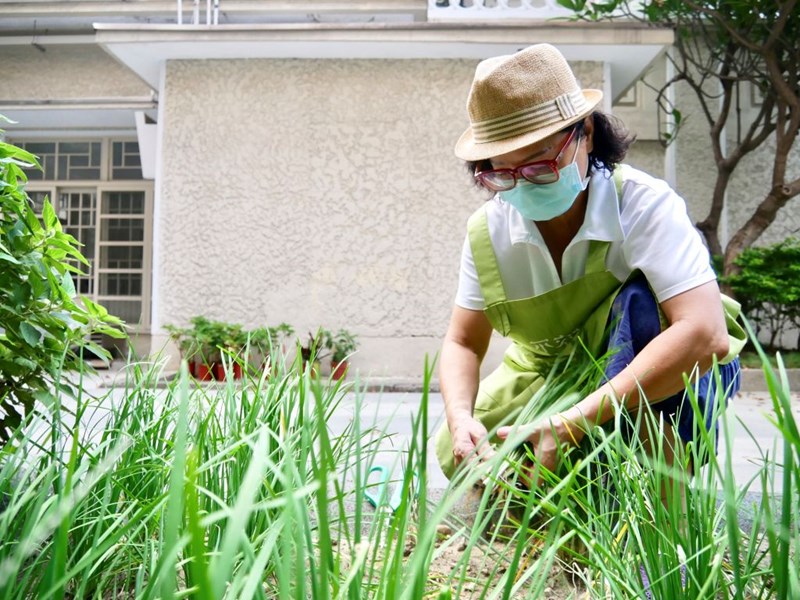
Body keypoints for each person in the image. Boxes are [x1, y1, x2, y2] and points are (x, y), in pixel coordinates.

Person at [434, 43, 746, 481]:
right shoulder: (489, 232)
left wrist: (570, 423)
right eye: (502, 172)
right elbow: (463, 342)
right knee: (464, 446)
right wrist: (459, 415)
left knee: (643, 308)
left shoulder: (642, 205)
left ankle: (659, 499)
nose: (523, 183)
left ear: (586, 134)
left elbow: (704, 333)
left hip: (652, 374)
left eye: (540, 164)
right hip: (553, 373)